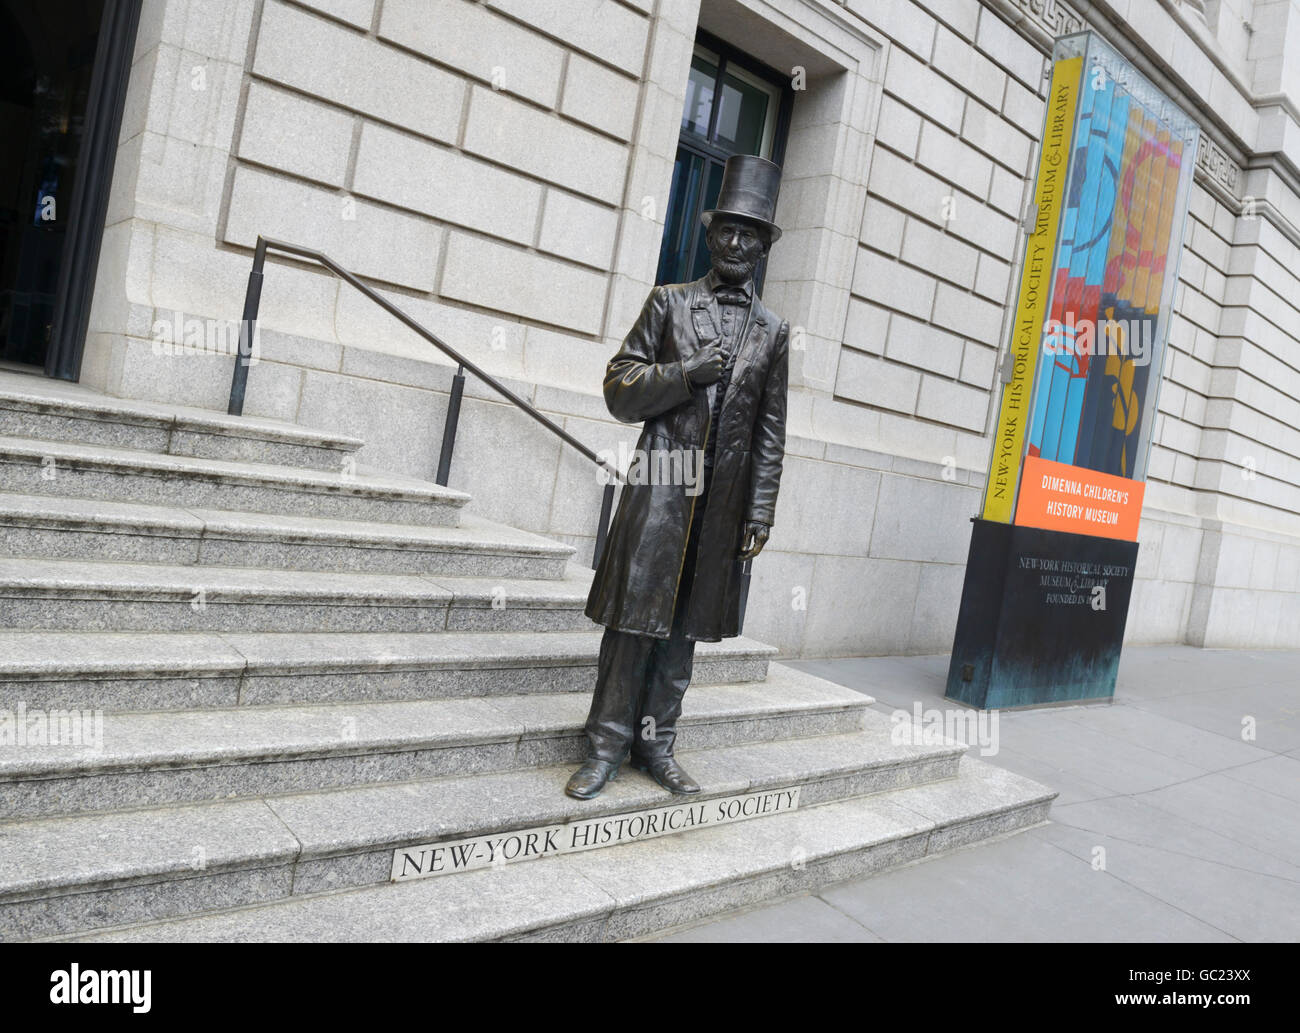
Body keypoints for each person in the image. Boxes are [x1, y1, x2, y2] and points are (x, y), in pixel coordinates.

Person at [567, 154, 789, 800]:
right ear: (711, 235)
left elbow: (772, 428)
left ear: (762, 246)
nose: (738, 243)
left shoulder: (773, 333)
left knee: (684, 632)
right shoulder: (669, 304)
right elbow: (619, 387)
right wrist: (685, 373)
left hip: (720, 506)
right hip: (663, 485)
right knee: (635, 622)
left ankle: (657, 743)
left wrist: (760, 509)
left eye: (751, 233)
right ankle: (605, 743)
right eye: (729, 231)